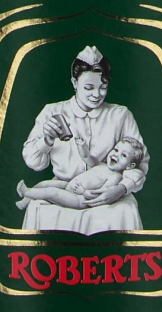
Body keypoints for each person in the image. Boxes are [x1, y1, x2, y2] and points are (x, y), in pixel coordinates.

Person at [22, 45, 150, 210]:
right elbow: (33, 162)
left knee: (125, 210)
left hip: (107, 194)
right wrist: (46, 141)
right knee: (40, 204)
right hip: (64, 188)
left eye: (103, 87)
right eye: (89, 88)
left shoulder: (121, 115)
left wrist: (122, 188)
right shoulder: (52, 111)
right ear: (75, 83)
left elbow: (141, 163)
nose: (97, 95)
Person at [16, 138, 144, 210]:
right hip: (71, 185)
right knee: (45, 184)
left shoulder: (116, 177)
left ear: (130, 166)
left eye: (123, 155)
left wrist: (83, 192)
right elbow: (87, 157)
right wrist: (82, 146)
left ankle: (27, 192)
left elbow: (100, 194)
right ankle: (25, 201)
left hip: (80, 199)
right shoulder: (102, 165)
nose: (116, 154)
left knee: (51, 192)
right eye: (116, 150)